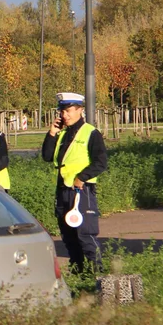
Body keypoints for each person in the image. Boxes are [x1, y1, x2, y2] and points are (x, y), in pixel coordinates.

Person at [41, 92, 108, 273]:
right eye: (62, 111)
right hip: (63, 190)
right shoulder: (62, 134)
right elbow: (47, 156)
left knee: (85, 235)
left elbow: (101, 163)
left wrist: (82, 177)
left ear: (80, 110)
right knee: (68, 236)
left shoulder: (91, 133)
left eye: (69, 110)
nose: (65, 115)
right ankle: (79, 274)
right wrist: (52, 133)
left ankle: (97, 275)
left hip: (81, 191)